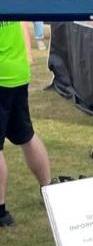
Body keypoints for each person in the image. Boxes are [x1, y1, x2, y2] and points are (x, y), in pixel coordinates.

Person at [0, 21, 52, 227]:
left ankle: (1, 212)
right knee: (26, 135)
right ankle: (48, 190)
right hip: (18, 73)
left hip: (4, 75)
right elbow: (22, 23)